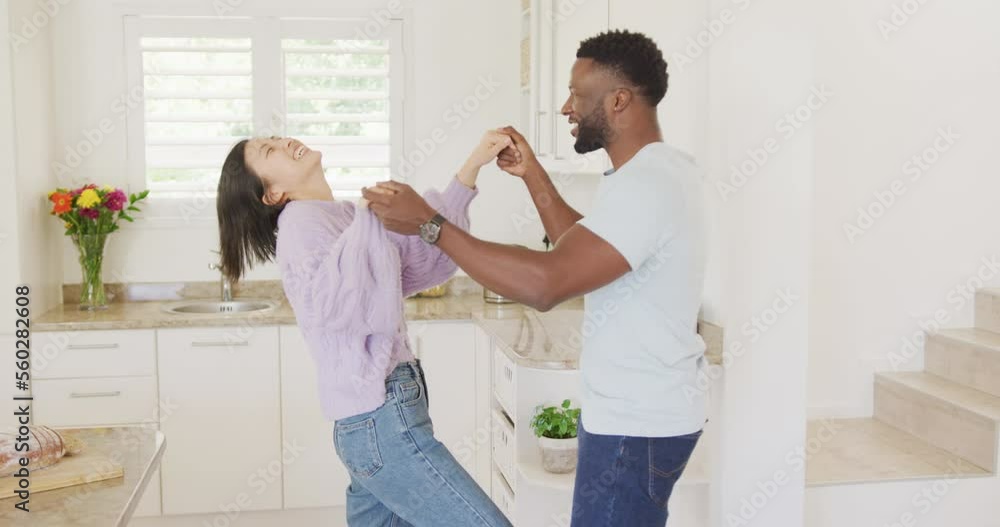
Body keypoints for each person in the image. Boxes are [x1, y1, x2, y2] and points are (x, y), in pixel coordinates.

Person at [362, 30, 706, 526]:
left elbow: (547, 283)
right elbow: (584, 252)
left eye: (576, 95)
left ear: (618, 100)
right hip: (639, 418)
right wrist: (533, 174)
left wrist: (430, 225)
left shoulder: (648, 184)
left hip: (636, 425)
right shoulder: (650, 174)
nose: (566, 108)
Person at [214, 131, 514, 527]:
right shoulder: (302, 224)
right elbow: (341, 309)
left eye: (277, 137)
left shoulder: (339, 216)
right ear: (273, 193)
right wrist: (367, 218)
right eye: (270, 150)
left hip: (377, 417)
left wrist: (471, 166)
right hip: (381, 416)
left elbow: (422, 262)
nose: (285, 142)